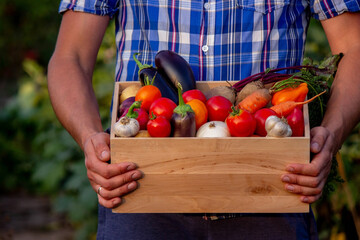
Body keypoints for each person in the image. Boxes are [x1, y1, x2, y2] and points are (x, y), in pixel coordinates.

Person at [47, 0, 360, 238]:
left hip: (272, 191)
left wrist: (330, 135)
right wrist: (90, 138)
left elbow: (354, 48)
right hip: (140, 189)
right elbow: (69, 56)